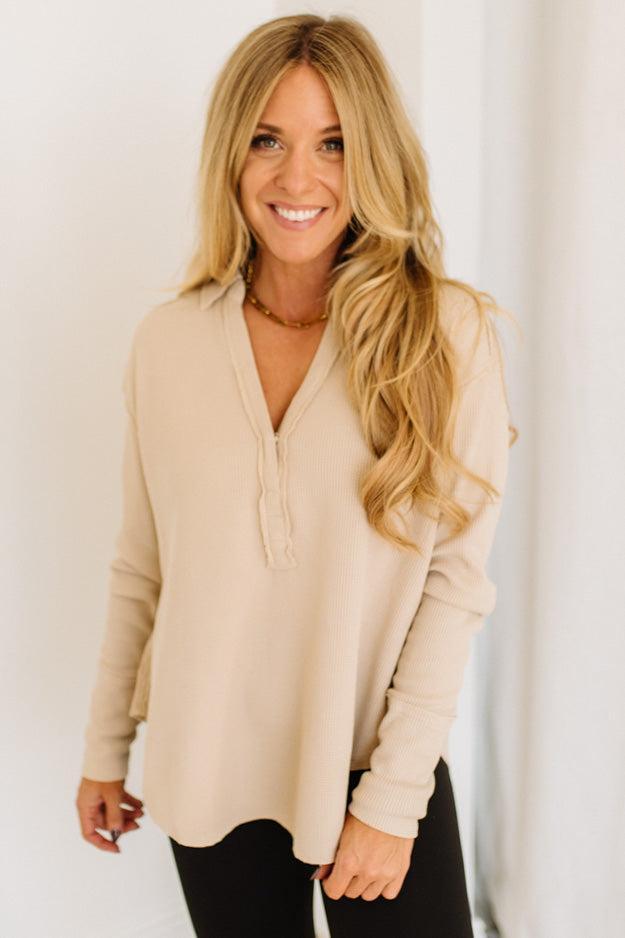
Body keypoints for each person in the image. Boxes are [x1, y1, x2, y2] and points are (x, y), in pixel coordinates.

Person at [75, 12, 517, 938]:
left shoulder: (444, 337)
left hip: (372, 759)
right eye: (267, 140)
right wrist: (105, 749)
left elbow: (451, 585)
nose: (296, 178)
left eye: (334, 143)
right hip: (207, 763)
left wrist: (393, 801)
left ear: (375, 157)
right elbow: (141, 567)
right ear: (230, 154)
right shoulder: (168, 343)